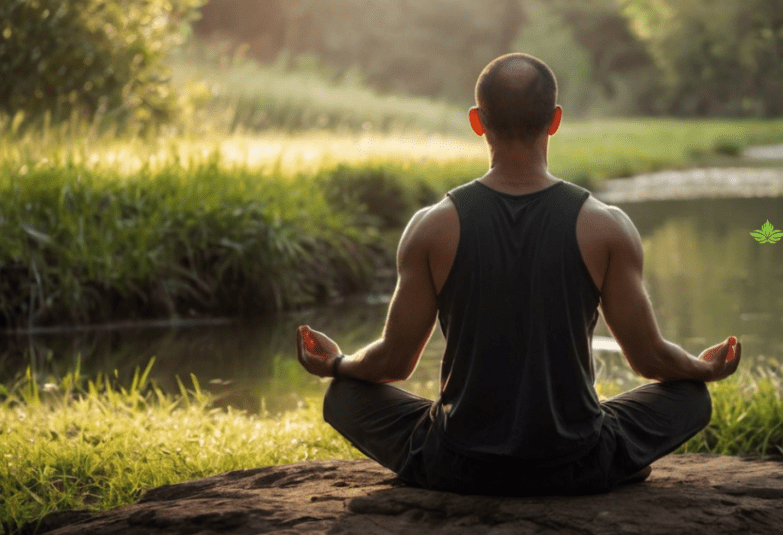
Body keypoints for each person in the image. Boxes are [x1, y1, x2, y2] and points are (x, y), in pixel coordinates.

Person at [296, 52, 742, 495]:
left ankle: (435, 467)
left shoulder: (431, 226)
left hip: (458, 463)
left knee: (342, 395)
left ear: (477, 121)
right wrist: (702, 369)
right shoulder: (606, 224)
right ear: (555, 120)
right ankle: (616, 463)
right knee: (690, 397)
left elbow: (393, 363)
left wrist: (337, 363)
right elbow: (649, 360)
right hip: (576, 462)